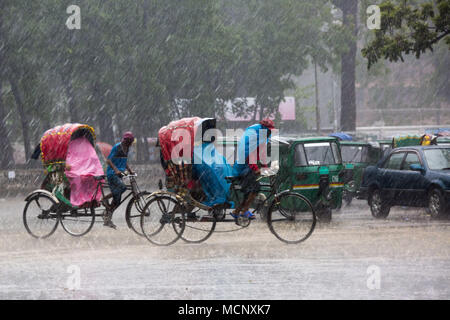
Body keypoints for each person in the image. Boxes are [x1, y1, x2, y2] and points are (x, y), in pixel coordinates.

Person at [231, 118, 275, 220]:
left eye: (270, 131)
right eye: (268, 131)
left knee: (250, 191)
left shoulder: (262, 139)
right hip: (243, 169)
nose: (270, 133)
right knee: (254, 188)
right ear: (264, 130)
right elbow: (250, 157)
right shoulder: (254, 138)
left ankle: (237, 211)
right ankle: (244, 211)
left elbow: (262, 154)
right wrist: (256, 169)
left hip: (248, 168)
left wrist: (265, 167)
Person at [103, 131, 135, 228]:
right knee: (123, 188)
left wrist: (130, 170)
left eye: (129, 142)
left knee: (117, 200)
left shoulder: (127, 148)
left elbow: (124, 161)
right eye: (127, 141)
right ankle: (104, 199)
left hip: (120, 174)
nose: (128, 143)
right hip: (112, 174)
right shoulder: (117, 147)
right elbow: (108, 160)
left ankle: (107, 217)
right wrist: (116, 170)